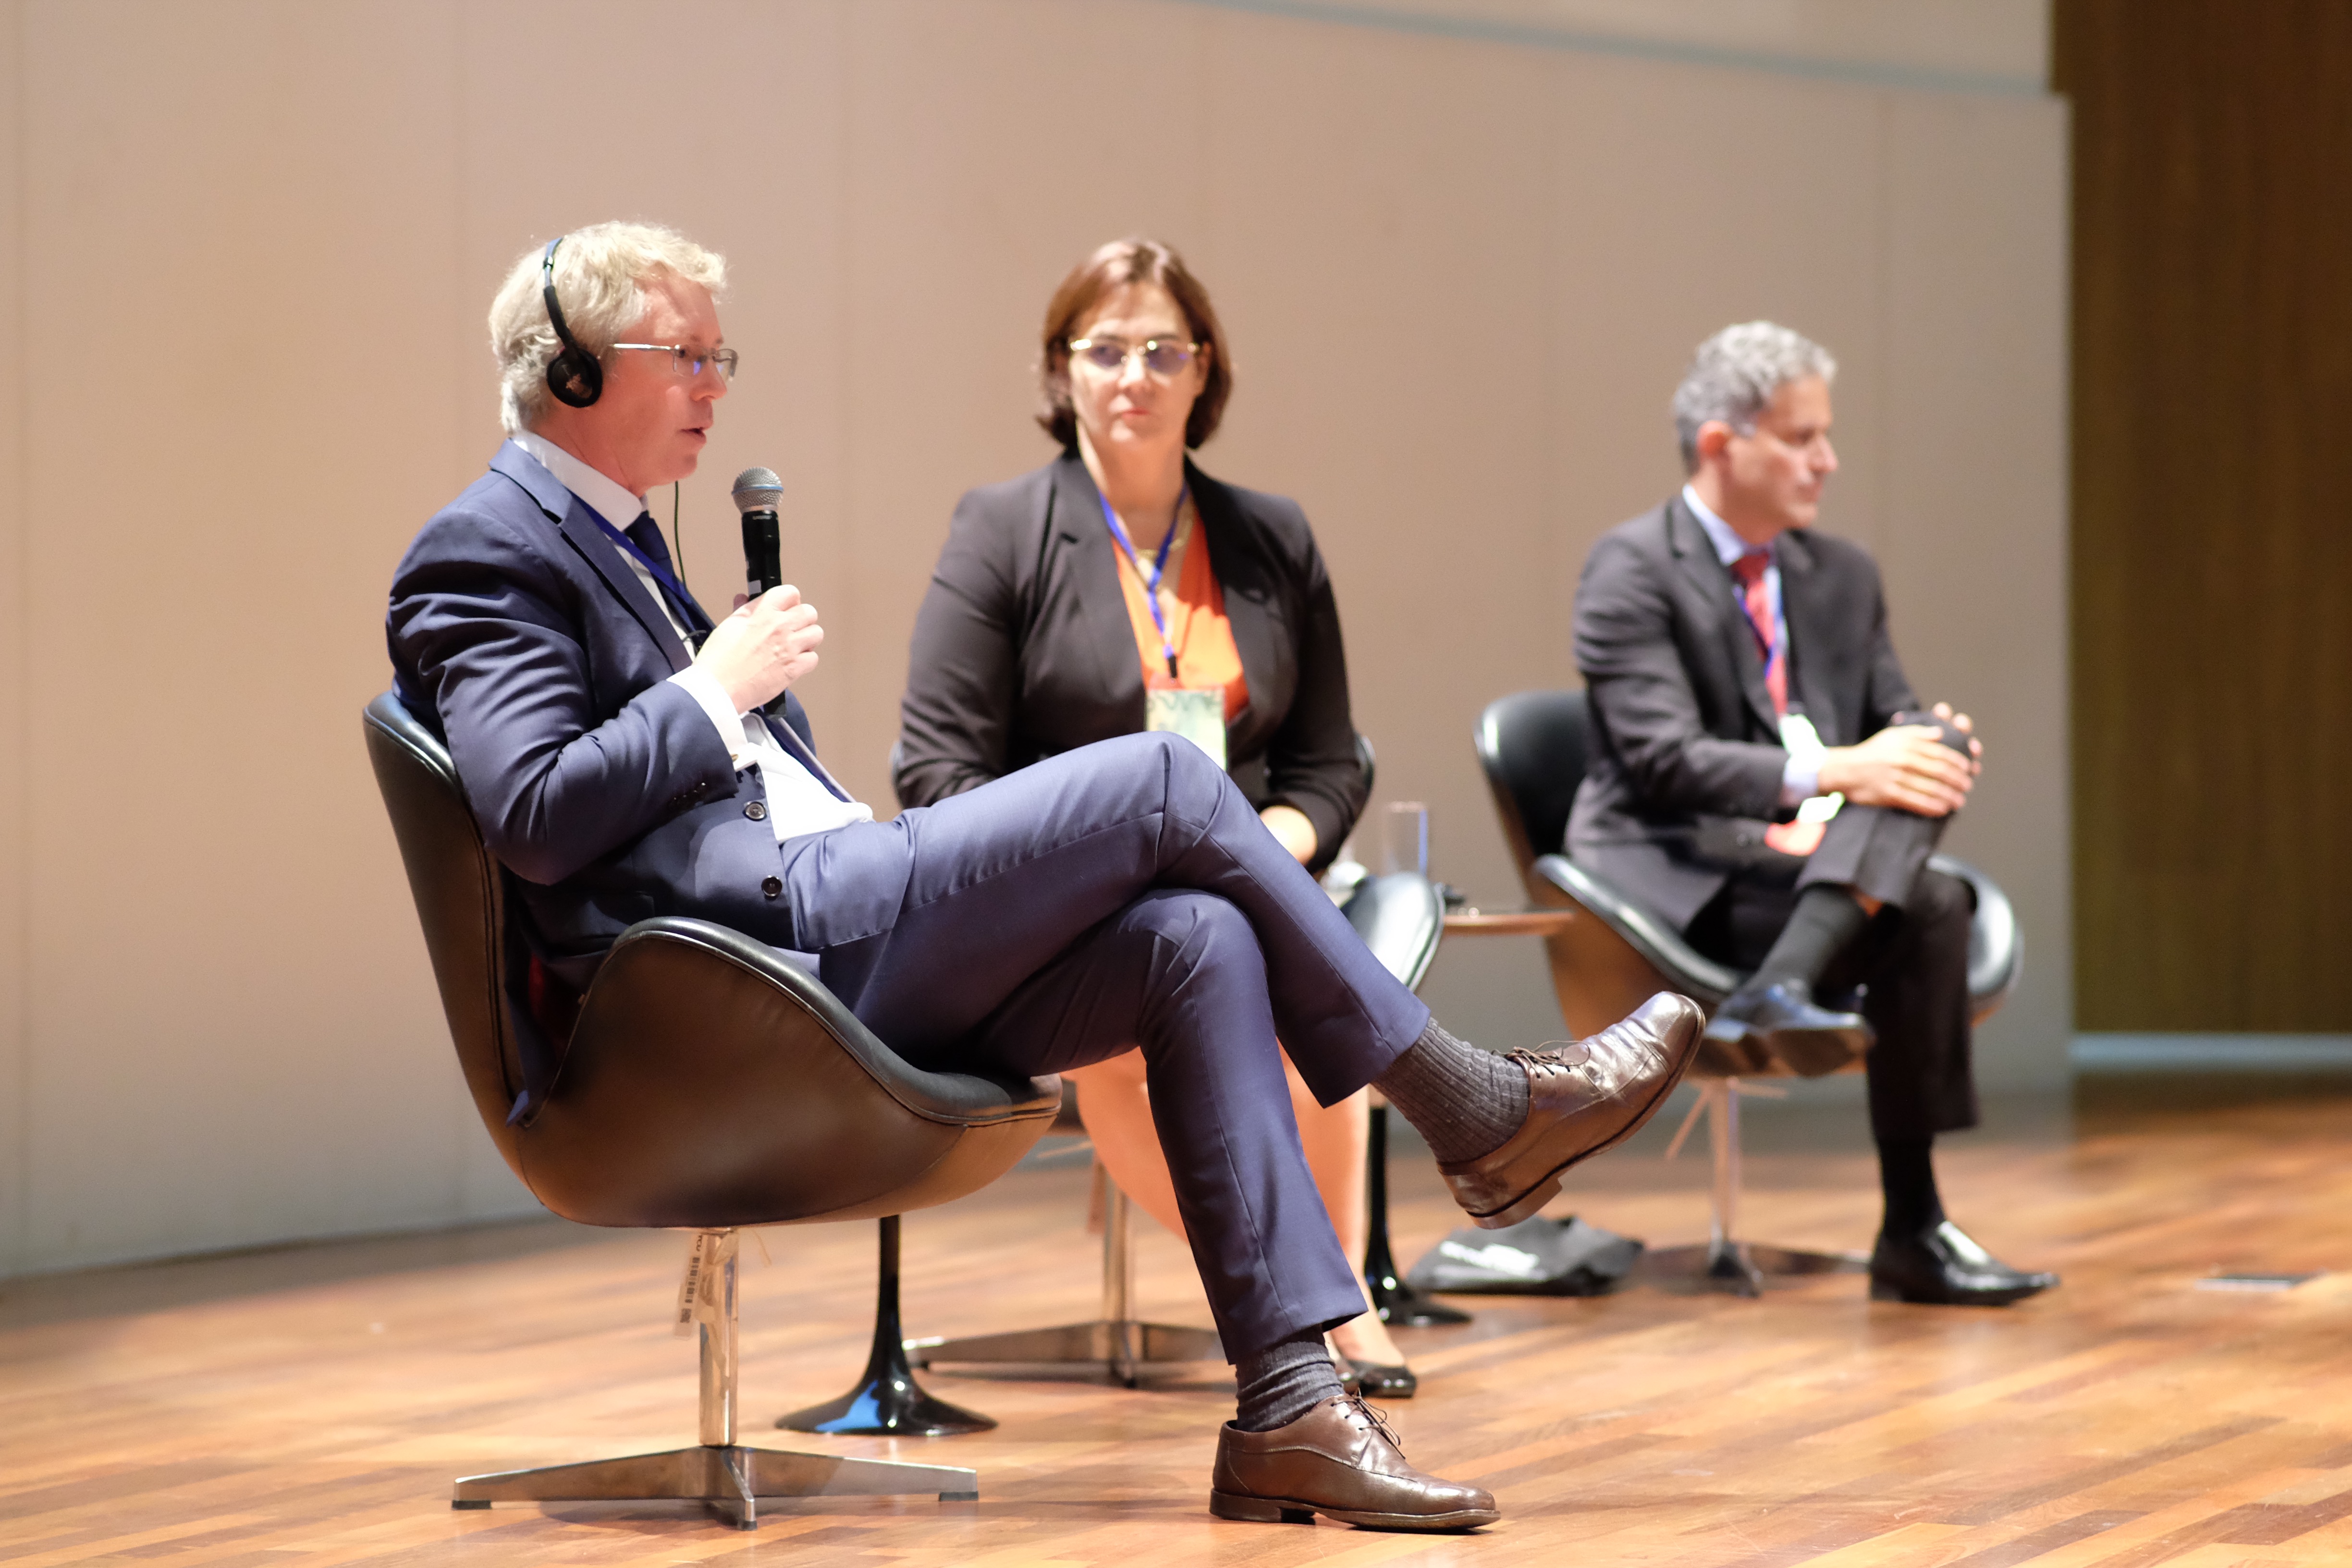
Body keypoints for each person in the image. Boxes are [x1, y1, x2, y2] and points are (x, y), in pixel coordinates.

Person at [387, 220, 1704, 1530]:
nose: (716, 386)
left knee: (1197, 938)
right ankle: (1473, 1106)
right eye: (687, 355)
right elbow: (538, 814)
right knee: (1169, 779)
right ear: (571, 369)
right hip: (741, 976)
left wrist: (719, 693)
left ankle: (1293, 1408)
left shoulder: (619, 539)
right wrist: (715, 687)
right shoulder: (488, 548)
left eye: (720, 357)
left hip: (817, 931)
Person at [893, 238, 1413, 1391]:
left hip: (1257, 879)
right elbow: (937, 775)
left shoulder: (1274, 536)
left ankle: (1322, 1303)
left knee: (1287, 992)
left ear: (1203, 370)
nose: (1135, 375)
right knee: (1147, 1027)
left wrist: (1270, 846)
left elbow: (1330, 761)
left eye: (1163, 352)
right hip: (1067, 913)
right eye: (1106, 350)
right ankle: (1324, 1299)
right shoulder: (1001, 531)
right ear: (1062, 370)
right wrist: (1089, 867)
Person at [1568, 321, 2057, 1308]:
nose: (1826, 460)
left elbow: (1892, 721)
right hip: (1684, 866)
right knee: (1928, 903)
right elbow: (1665, 761)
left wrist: (1921, 746)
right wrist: (1841, 771)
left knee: (1934, 757)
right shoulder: (1631, 567)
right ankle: (1914, 1224)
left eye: (1825, 436)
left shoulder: (1843, 575)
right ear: (1721, 444)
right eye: (1801, 438)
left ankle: (1787, 995)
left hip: (1814, 863)